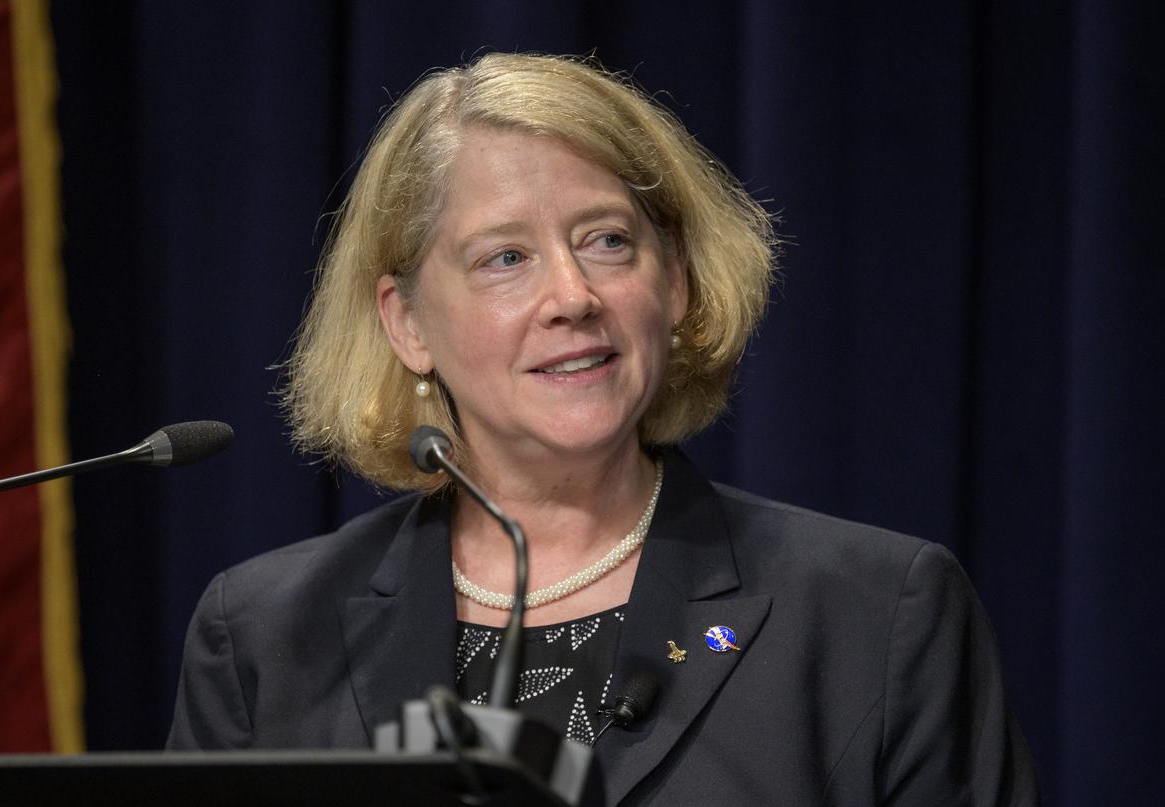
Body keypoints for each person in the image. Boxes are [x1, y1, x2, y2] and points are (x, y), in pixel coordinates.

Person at [168, 53, 1038, 805]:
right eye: (505, 257)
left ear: (677, 283)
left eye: (609, 241)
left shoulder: (873, 614)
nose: (573, 296)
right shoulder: (267, 638)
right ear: (407, 324)